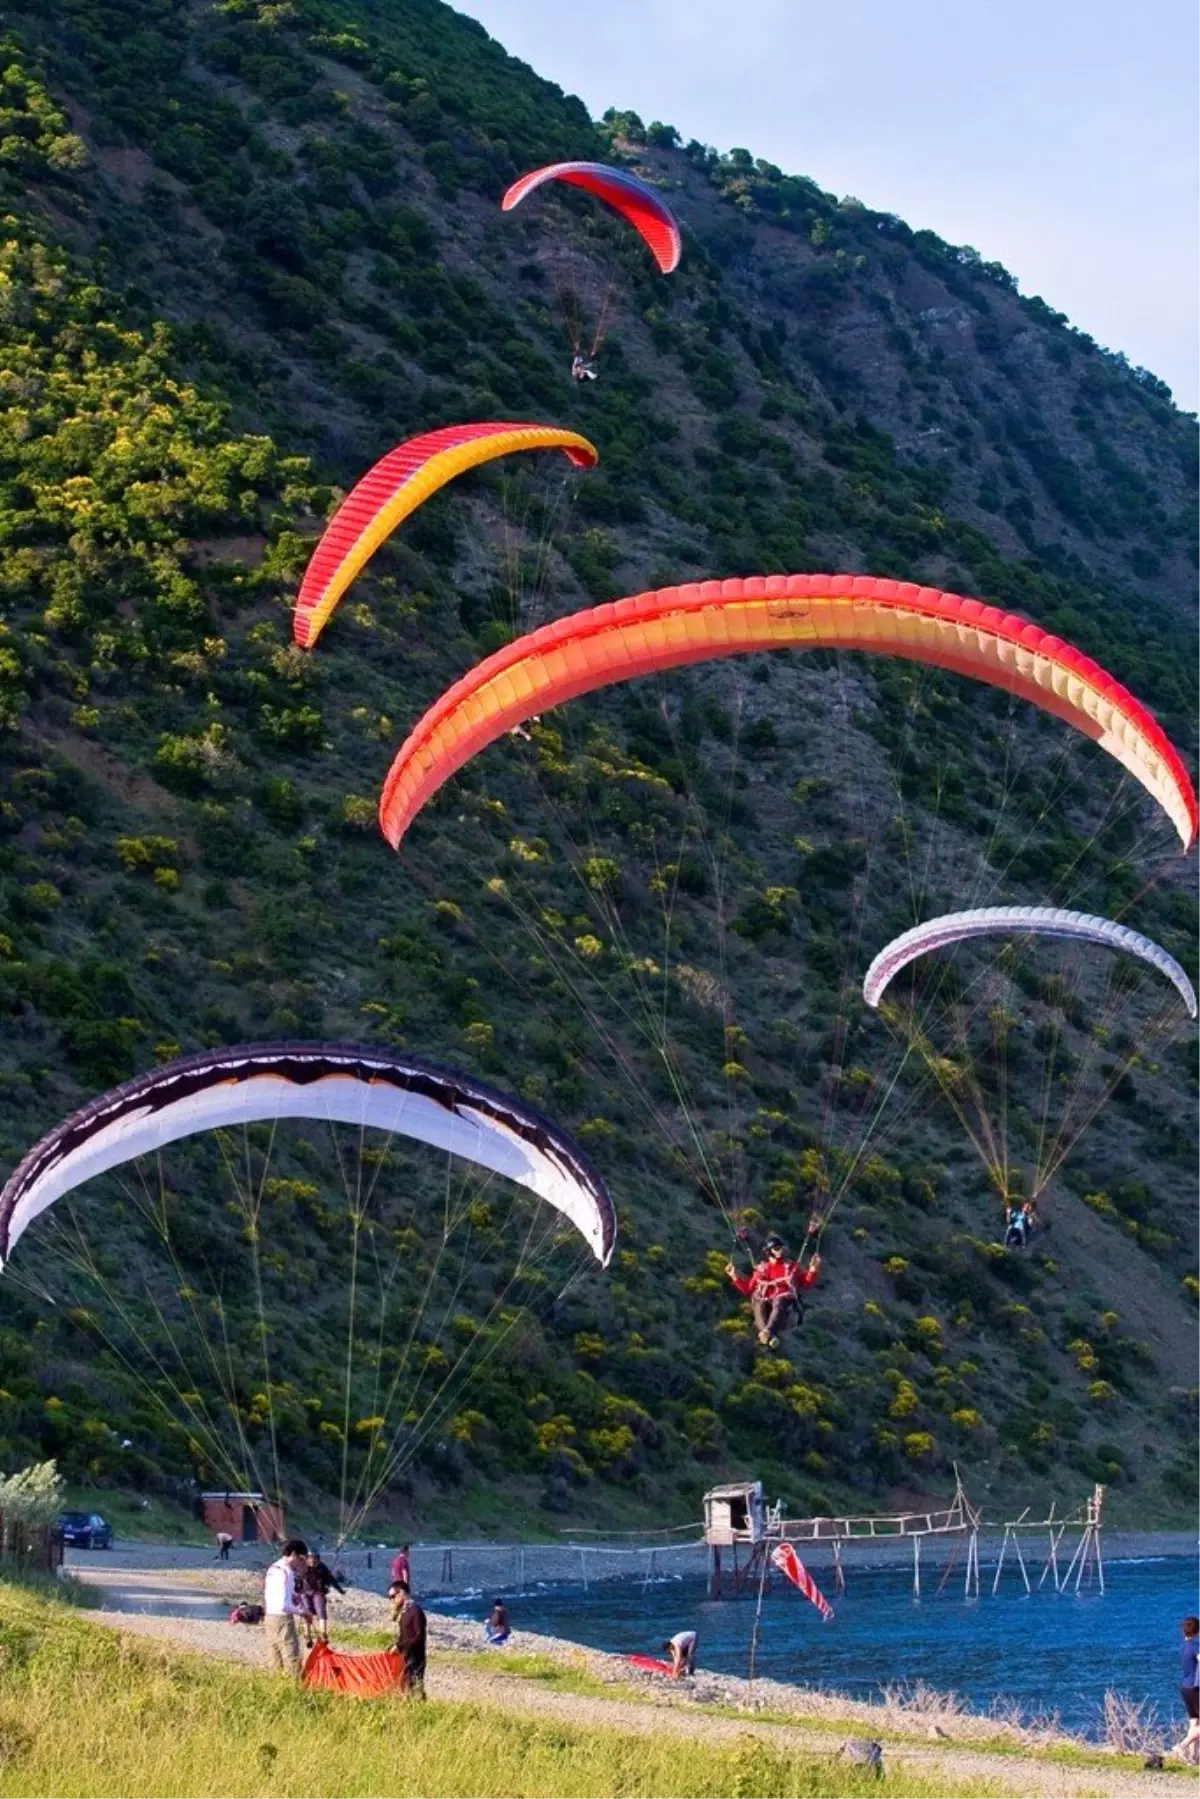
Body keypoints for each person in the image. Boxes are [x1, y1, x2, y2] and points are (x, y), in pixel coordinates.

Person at [726, 1235, 820, 1346]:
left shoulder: (792, 1267)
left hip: (784, 1305)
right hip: (765, 1303)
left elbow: (807, 1283)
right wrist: (734, 1277)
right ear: (769, 1252)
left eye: (781, 1248)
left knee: (779, 1300)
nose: (780, 1251)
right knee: (758, 1299)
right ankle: (768, 1335)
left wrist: (813, 1270)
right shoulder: (761, 1270)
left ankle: (767, 1332)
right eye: (776, 1249)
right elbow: (748, 1289)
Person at [263, 1538, 308, 1676]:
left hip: (269, 1616)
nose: (302, 1563)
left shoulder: (273, 1567)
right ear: (293, 1554)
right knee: (291, 1652)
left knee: (274, 1652)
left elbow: (271, 1593)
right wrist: (302, 1612)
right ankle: (296, 1686)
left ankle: (275, 1683)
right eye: (301, 1559)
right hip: (282, 1618)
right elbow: (283, 1605)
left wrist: (293, 1595)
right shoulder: (287, 1572)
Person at [295, 1551, 346, 1648]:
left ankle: (323, 1634)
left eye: (315, 1559)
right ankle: (308, 1636)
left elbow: (331, 1579)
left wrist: (340, 1590)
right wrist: (296, 1591)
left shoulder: (322, 1567)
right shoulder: (302, 1567)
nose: (313, 1561)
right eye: (311, 1559)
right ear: (307, 1558)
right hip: (305, 1593)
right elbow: (296, 1580)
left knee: (321, 1611)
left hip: (318, 1592)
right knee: (307, 1612)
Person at [390, 1579, 428, 1699]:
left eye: (392, 1596)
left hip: (415, 1658)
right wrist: (396, 1646)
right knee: (406, 1689)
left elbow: (418, 1636)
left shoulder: (415, 1610)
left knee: (415, 1690)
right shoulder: (405, 1611)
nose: (391, 1600)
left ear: (401, 1593)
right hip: (406, 1656)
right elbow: (404, 1635)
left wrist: (400, 1646)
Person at [1175, 1617, 1200, 1761]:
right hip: (1196, 1688)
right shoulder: (1196, 1646)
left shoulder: (1182, 1646)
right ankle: (1182, 1745)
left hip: (1185, 1688)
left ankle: (1194, 1757)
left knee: (1194, 1722)